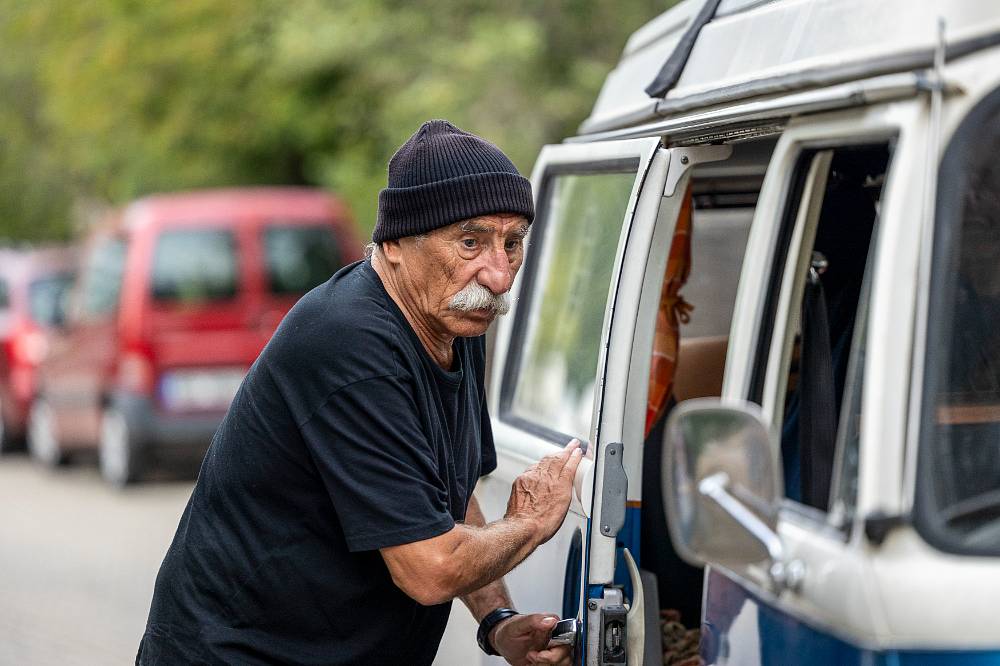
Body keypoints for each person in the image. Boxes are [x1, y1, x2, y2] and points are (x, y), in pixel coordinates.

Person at [137, 120, 582, 666]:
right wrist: (531, 523)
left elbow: (443, 493)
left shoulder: (451, 316)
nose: (498, 275)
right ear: (395, 244)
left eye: (512, 244)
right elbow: (430, 568)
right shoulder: (348, 342)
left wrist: (498, 622)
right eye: (471, 241)